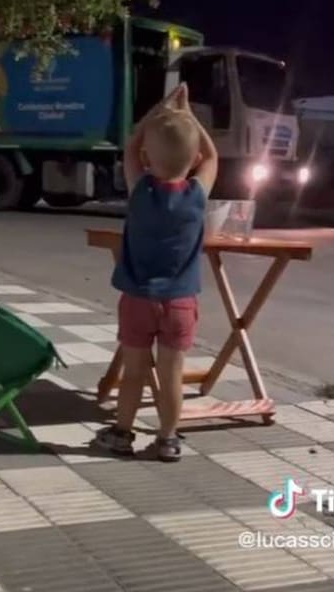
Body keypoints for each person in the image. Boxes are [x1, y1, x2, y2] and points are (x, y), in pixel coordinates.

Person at [94, 82, 218, 461]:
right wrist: (190, 116)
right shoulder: (196, 195)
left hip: (137, 299)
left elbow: (131, 144)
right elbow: (214, 156)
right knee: (172, 375)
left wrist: (160, 109)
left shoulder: (141, 192)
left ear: (148, 156)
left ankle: (121, 434)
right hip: (180, 302)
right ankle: (167, 439)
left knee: (133, 373)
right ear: (194, 157)